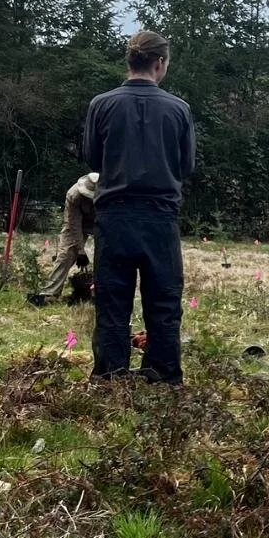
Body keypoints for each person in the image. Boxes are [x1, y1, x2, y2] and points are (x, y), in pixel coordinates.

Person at [82, 31, 196, 384]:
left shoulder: (101, 104)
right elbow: (186, 166)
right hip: (159, 218)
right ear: (160, 63)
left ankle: (110, 376)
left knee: (112, 301)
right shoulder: (179, 109)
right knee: (163, 301)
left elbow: (91, 158)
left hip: (113, 216)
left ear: (129, 61)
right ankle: (162, 376)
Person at [27, 173, 98, 307]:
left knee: (105, 256)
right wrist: (81, 251)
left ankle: (99, 293)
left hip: (100, 221)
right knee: (66, 254)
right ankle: (50, 294)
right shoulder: (73, 195)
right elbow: (74, 224)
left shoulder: (108, 193)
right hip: (76, 224)